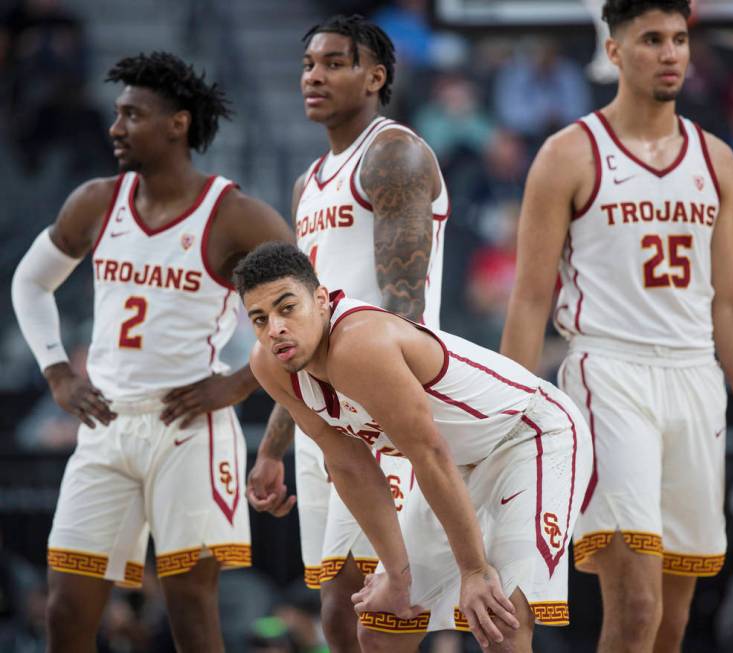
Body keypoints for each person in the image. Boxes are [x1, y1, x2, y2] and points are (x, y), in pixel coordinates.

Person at [500, 2, 733, 652]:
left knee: (672, 622)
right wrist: (511, 419)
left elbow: (732, 305)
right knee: (635, 605)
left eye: (678, 39)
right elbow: (527, 300)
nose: (670, 52)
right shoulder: (566, 154)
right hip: (608, 373)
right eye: (651, 39)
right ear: (615, 50)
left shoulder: (716, 160)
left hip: (694, 380)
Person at [10, 52, 293, 652]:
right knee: (65, 609)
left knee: (190, 609)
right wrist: (58, 371)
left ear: (178, 123)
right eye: (117, 114)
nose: (116, 127)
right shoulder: (94, 201)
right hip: (106, 424)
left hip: (189, 428)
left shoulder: (237, 216)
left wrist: (241, 383)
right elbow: (29, 283)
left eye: (133, 115)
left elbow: (310, 315)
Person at [235, 241, 592, 653]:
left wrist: (473, 569)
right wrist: (397, 576)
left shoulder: (358, 345)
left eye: (287, 308)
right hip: (459, 460)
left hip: (531, 436)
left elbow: (430, 454)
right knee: (382, 629)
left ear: (320, 300)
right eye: (259, 319)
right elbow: (350, 466)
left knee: (500, 622)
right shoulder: (269, 363)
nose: (275, 328)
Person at [244, 14, 448, 652]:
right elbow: (296, 329)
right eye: (309, 64)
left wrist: (386, 417)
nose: (314, 76)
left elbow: (404, 308)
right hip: (320, 410)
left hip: (375, 406)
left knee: (380, 612)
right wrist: (276, 444)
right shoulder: (309, 182)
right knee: (337, 611)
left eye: (335, 63)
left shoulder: (394, 154)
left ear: (375, 76)